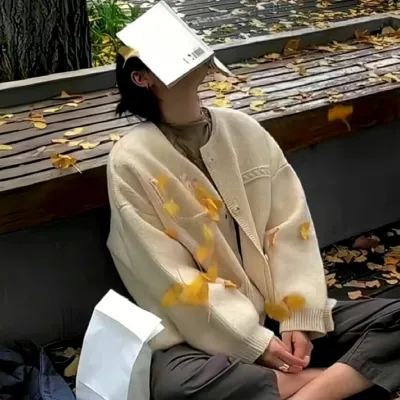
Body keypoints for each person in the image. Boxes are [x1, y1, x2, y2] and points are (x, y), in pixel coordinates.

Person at [106, 53, 400, 400]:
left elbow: (290, 228)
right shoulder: (131, 160)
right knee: (177, 388)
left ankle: (305, 391)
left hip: (278, 313)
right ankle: (339, 382)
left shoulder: (243, 130)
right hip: (196, 337)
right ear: (142, 78)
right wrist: (253, 341)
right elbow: (169, 273)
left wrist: (299, 318)